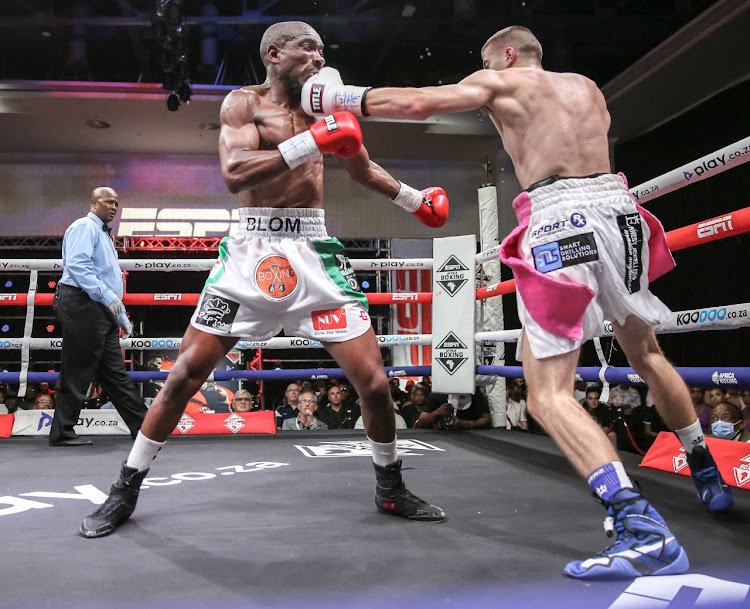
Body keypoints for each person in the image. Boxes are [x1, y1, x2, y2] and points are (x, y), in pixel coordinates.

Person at [301, 25, 734, 579]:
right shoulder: (586, 86)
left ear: (505, 56)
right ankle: (705, 472)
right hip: (620, 210)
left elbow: (415, 103)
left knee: (546, 393)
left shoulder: (502, 81)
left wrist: (332, 96)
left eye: (487, 63)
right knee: (646, 353)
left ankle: (640, 528)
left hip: (562, 221)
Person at [80, 21, 446, 539]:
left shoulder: (328, 106)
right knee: (184, 375)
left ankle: (391, 486)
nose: (321, 59)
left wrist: (415, 200)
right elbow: (235, 172)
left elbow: (361, 168)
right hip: (251, 252)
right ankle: (125, 487)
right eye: (310, 49)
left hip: (314, 253)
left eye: (324, 50)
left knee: (375, 383)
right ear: (275, 53)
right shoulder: (242, 104)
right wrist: (310, 142)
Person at [50, 187, 147, 447]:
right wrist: (111, 302)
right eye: (108, 202)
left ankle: (144, 429)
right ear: (94, 203)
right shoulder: (85, 227)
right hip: (82, 305)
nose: (114, 207)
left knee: (115, 373)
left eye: (117, 202)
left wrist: (120, 316)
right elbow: (79, 267)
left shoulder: (104, 235)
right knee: (77, 370)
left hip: (98, 308)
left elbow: (108, 282)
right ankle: (62, 433)